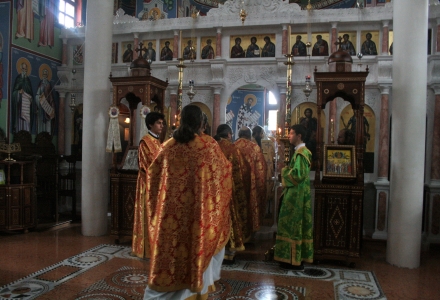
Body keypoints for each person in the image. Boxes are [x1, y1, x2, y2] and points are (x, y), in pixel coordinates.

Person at [143, 105, 232, 299]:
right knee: (196, 251)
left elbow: (152, 176)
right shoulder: (207, 146)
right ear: (201, 123)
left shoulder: (167, 147)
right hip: (198, 217)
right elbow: (224, 173)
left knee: (171, 259)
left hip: (170, 219)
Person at [274, 124, 313, 271]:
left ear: (299, 136)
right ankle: (289, 258)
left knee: (293, 226)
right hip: (294, 194)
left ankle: (293, 260)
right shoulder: (299, 152)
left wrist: (283, 171)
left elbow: (298, 175)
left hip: (296, 196)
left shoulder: (302, 153)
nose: (289, 136)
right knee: (290, 225)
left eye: (291, 133)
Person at [214, 124, 250, 263]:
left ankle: (214, 251)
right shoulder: (232, 149)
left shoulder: (212, 145)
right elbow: (240, 171)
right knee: (229, 219)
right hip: (228, 190)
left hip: (212, 192)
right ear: (229, 134)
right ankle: (228, 252)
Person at [132, 111, 165, 260]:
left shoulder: (158, 142)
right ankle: (145, 249)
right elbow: (147, 166)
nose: (161, 126)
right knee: (147, 214)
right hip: (147, 184)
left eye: (162, 123)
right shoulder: (145, 141)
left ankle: (155, 246)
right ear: (151, 124)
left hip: (158, 184)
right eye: (159, 123)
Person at [234, 126, 267, 232]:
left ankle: (237, 233)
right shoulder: (255, 148)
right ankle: (249, 233)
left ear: (239, 135)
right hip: (250, 184)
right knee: (249, 206)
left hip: (235, 184)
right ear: (249, 135)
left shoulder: (233, 146)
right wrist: (260, 185)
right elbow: (261, 169)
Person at [11, 62, 36, 133]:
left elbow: (31, 94)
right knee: (20, 124)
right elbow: (13, 94)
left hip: (27, 108)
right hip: (19, 108)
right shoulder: (18, 79)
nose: (24, 70)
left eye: (26, 69)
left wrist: (30, 98)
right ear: (21, 69)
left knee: (26, 125)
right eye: (23, 68)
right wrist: (18, 93)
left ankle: (27, 136)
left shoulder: (28, 80)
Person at [35, 67, 56, 135]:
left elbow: (51, 98)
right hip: (41, 108)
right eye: (43, 74)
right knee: (41, 125)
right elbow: (37, 95)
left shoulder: (49, 85)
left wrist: (52, 108)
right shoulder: (40, 84)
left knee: (48, 124)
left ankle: (48, 138)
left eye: (45, 74)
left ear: (47, 75)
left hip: (47, 107)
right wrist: (39, 97)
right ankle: (40, 136)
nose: (44, 75)